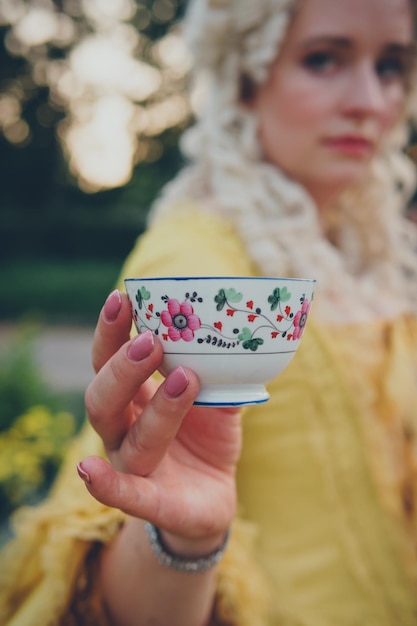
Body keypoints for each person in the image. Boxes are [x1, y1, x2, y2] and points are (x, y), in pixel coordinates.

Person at [1, 0, 417, 624]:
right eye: (324, 58)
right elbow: (105, 560)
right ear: (244, 76)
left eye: (391, 66)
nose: (369, 99)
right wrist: (184, 541)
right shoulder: (195, 263)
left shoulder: (376, 252)